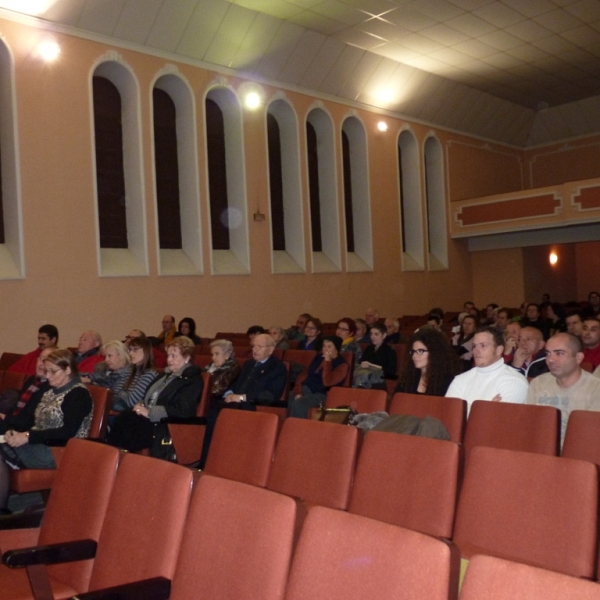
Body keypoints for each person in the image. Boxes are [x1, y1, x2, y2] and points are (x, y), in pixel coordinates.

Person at [0, 349, 93, 514]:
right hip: (38, 443)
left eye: (53, 371)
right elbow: (33, 423)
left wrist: (28, 436)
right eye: (47, 370)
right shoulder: (50, 391)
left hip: (59, 451)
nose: (47, 376)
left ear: (68, 370)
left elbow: (67, 432)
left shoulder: (78, 394)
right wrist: (15, 433)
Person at [107, 336, 203, 459]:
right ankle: (114, 458)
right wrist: (140, 404)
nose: (169, 359)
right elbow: (149, 396)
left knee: (127, 423)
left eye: (174, 356)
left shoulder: (192, 379)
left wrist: (150, 412)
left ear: (187, 358)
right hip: (149, 419)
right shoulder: (165, 375)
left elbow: (183, 409)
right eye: (168, 355)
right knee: (124, 418)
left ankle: (119, 460)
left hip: (164, 424)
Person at [199, 334, 287, 467]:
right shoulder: (249, 364)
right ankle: (208, 461)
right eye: (253, 346)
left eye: (259, 347)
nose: (255, 350)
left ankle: (228, 460)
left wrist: (241, 397)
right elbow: (236, 384)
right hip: (236, 402)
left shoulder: (277, 367)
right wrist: (229, 393)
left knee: (231, 411)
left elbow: (269, 395)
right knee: (213, 408)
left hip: (255, 406)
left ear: (270, 349)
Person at [528, 333, 600, 444]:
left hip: (578, 452)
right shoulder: (538, 383)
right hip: (541, 449)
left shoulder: (595, 388)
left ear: (578, 358)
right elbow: (531, 426)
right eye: (548, 353)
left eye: (559, 353)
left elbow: (590, 439)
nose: (550, 360)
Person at [445, 326, 528, 415]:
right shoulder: (460, 379)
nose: (476, 350)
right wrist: (485, 409)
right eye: (474, 346)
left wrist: (467, 410)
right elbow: (449, 416)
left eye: (483, 345)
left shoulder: (514, 381)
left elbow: (497, 421)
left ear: (499, 350)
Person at [288, 335, 349, 419]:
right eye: (324, 346)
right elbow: (305, 373)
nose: (325, 349)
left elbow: (327, 382)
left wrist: (327, 362)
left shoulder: (342, 365)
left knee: (299, 404)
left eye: (329, 346)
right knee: (291, 396)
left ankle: (297, 428)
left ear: (336, 349)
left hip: (322, 394)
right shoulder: (318, 357)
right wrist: (298, 390)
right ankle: (289, 425)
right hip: (307, 388)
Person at [0, 346, 54, 429]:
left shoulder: (51, 388)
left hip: (23, 431)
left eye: (46, 359)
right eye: (40, 358)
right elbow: (17, 409)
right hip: (11, 423)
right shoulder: (32, 380)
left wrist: (5, 417)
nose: (41, 363)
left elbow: (30, 420)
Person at [395, 328, 458, 396]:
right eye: (413, 351)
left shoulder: (447, 382)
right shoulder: (408, 378)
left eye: (420, 351)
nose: (414, 356)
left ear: (434, 353)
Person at [112, 336, 159, 411]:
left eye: (135, 350)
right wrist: (124, 394)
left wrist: (122, 394)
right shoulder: (130, 370)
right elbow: (114, 391)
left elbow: (131, 402)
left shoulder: (150, 374)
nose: (130, 353)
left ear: (145, 351)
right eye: (130, 350)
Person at [354, 323, 397, 388]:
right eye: (371, 334)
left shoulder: (390, 350)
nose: (372, 337)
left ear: (384, 335)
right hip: (365, 376)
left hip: (381, 378)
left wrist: (371, 366)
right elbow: (361, 363)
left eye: (376, 334)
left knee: (363, 376)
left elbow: (390, 372)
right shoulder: (369, 348)